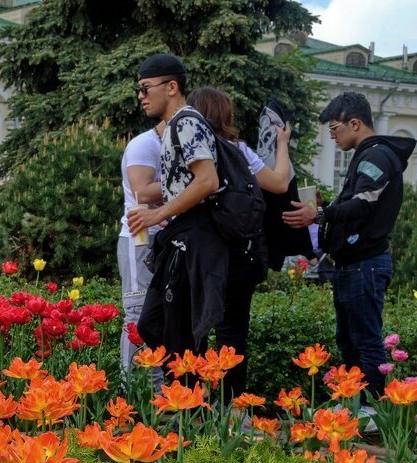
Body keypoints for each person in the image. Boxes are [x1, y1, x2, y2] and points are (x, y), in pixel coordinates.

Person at [284, 91, 416, 417]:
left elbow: (362, 204)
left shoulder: (375, 156)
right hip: (354, 265)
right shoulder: (368, 156)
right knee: (348, 339)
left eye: (335, 128)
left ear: (354, 123)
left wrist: (319, 214)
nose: (332, 135)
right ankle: (357, 405)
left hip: (365, 265)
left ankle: (372, 411)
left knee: (365, 340)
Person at [187, 86, 292, 400]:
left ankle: (190, 405)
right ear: (226, 115)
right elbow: (280, 183)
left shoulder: (188, 149)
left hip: (201, 252)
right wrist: (282, 144)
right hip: (239, 252)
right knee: (232, 334)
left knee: (195, 330)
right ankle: (230, 407)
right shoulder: (240, 151)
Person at [128, 54, 228, 363]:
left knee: (177, 337)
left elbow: (207, 180)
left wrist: (157, 213)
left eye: (146, 88)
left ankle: (188, 406)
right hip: (182, 236)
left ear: (172, 87)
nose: (141, 97)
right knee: (157, 326)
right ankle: (188, 402)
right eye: (139, 90)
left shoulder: (185, 121)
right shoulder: (177, 125)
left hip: (194, 239)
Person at [118, 121, 165, 386]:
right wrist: (193, 179)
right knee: (137, 313)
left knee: (162, 314)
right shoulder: (145, 144)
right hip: (140, 236)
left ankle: (157, 388)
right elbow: (141, 193)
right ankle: (132, 391)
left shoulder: (175, 143)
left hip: (167, 235)